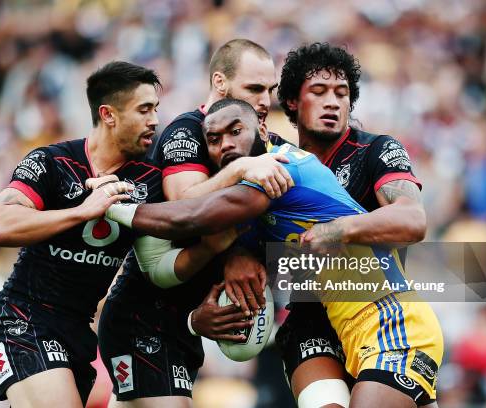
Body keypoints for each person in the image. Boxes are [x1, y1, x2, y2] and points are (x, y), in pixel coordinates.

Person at [101, 98, 444, 408]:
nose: (227, 145)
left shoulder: (278, 167)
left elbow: (190, 216)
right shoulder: (253, 209)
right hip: (354, 334)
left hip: (391, 322)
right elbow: (171, 263)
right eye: (215, 139)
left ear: (262, 129)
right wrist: (194, 319)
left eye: (236, 131)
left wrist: (113, 205)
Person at [0, 61, 233, 408]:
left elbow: (176, 234)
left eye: (156, 109)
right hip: (24, 317)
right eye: (144, 110)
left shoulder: (150, 180)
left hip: (81, 331)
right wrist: (83, 210)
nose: (154, 121)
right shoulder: (53, 162)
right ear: (109, 114)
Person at [96, 39, 297, 408]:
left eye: (271, 90)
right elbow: (185, 205)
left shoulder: (272, 146)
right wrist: (239, 171)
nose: (266, 100)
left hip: (185, 322)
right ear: (220, 83)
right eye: (254, 88)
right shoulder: (186, 131)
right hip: (141, 314)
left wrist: (250, 254)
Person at [275, 42, 440, 408]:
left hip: (381, 317)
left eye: (342, 93)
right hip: (311, 324)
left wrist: (340, 229)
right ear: (291, 101)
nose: (333, 102)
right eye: (318, 92)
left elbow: (413, 219)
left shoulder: (375, 151)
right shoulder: (278, 169)